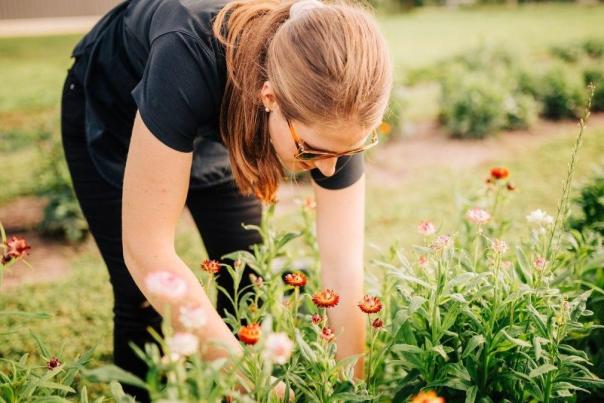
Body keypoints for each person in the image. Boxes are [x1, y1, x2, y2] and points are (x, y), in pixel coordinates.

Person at [60, 0, 392, 400]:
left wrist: (349, 388)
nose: (328, 170)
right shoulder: (187, 52)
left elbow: (344, 265)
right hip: (114, 110)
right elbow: (148, 253)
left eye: (352, 150)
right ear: (270, 97)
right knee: (141, 298)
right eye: (311, 152)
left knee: (244, 274)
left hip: (220, 98)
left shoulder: (338, 101)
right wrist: (261, 388)